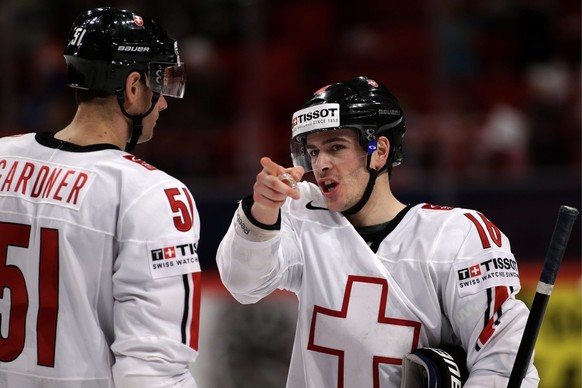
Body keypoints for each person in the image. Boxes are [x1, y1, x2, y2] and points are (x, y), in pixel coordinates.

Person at [216, 76, 539, 387]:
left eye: (336, 147)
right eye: (313, 151)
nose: (321, 164)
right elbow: (244, 283)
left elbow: (504, 361)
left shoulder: (457, 237)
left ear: (380, 151)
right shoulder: (302, 216)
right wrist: (262, 211)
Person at [0, 7, 201, 388]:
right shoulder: (152, 194)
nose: (164, 102)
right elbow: (152, 367)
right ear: (133, 87)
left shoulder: (2, 157)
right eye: (159, 84)